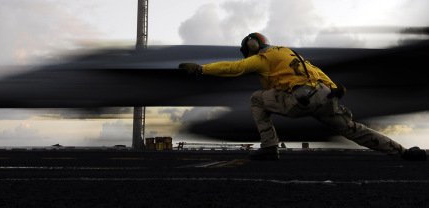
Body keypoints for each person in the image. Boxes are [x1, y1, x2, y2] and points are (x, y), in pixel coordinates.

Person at [179, 33, 427, 161]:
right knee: (354, 130)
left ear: (252, 46)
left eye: (247, 50)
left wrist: (201, 69)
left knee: (256, 99)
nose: (247, 54)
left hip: (298, 100)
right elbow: (316, 71)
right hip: (323, 96)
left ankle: (269, 148)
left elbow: (235, 69)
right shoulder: (288, 52)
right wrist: (333, 87)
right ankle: (404, 153)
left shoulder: (262, 58)